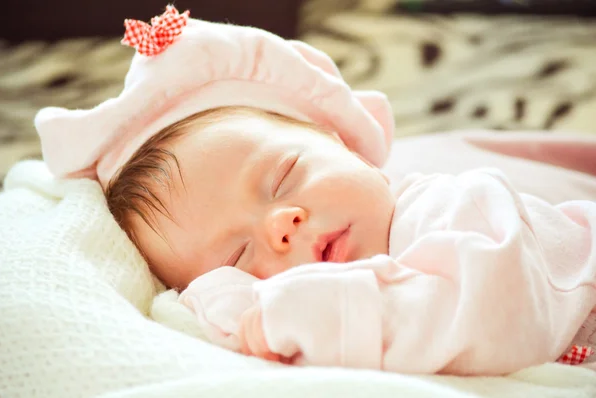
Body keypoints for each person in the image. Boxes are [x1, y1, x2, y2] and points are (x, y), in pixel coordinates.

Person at [36, 6, 596, 375]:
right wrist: (231, 303)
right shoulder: (293, 297)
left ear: (344, 144)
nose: (279, 226)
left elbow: (490, 308)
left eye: (282, 177)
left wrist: (328, 313)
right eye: (238, 256)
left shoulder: (461, 211)